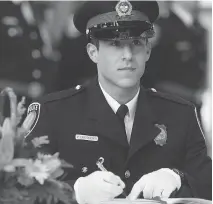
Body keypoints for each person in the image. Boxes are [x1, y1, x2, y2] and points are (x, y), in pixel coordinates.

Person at [25, 1, 212, 204]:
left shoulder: (180, 115)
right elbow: (19, 189)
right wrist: (73, 191)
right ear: (92, 52)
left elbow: (207, 184)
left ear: (148, 51)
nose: (128, 56)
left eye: (137, 44)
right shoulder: (53, 114)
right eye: (115, 44)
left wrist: (177, 177)